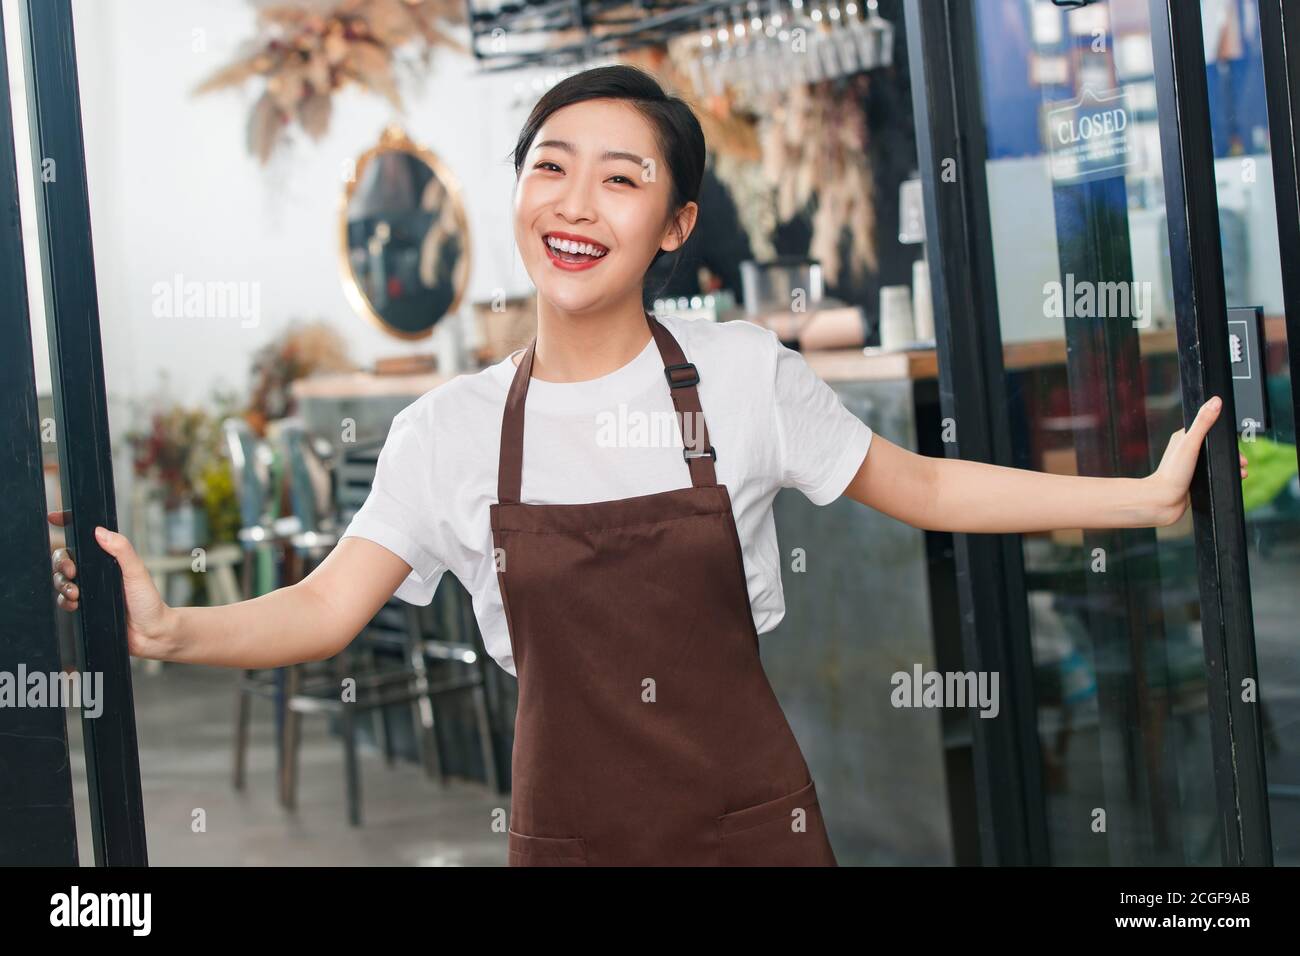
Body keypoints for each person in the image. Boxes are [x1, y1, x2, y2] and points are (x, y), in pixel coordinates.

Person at [51, 65, 1247, 867]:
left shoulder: (741, 376)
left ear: (674, 224)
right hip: (568, 841)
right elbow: (324, 603)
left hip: (750, 831)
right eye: (550, 166)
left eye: (621, 177)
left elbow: (924, 485)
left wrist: (1137, 497)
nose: (575, 203)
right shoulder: (451, 431)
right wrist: (172, 633)